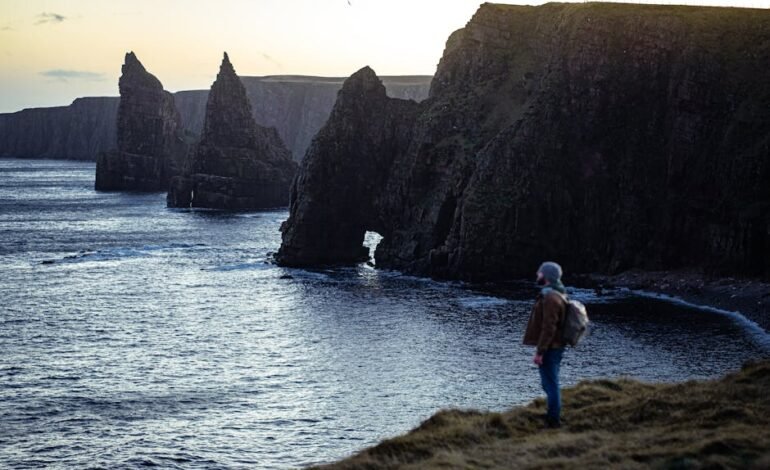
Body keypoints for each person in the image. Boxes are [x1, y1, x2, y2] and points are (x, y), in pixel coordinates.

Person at [523, 261, 567, 428]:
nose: (537, 275)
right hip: (555, 345)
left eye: (540, 273)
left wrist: (540, 352)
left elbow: (549, 327)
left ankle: (553, 420)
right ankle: (552, 414)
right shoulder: (557, 293)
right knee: (549, 382)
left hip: (551, 347)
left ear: (547, 276)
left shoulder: (550, 297)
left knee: (550, 382)